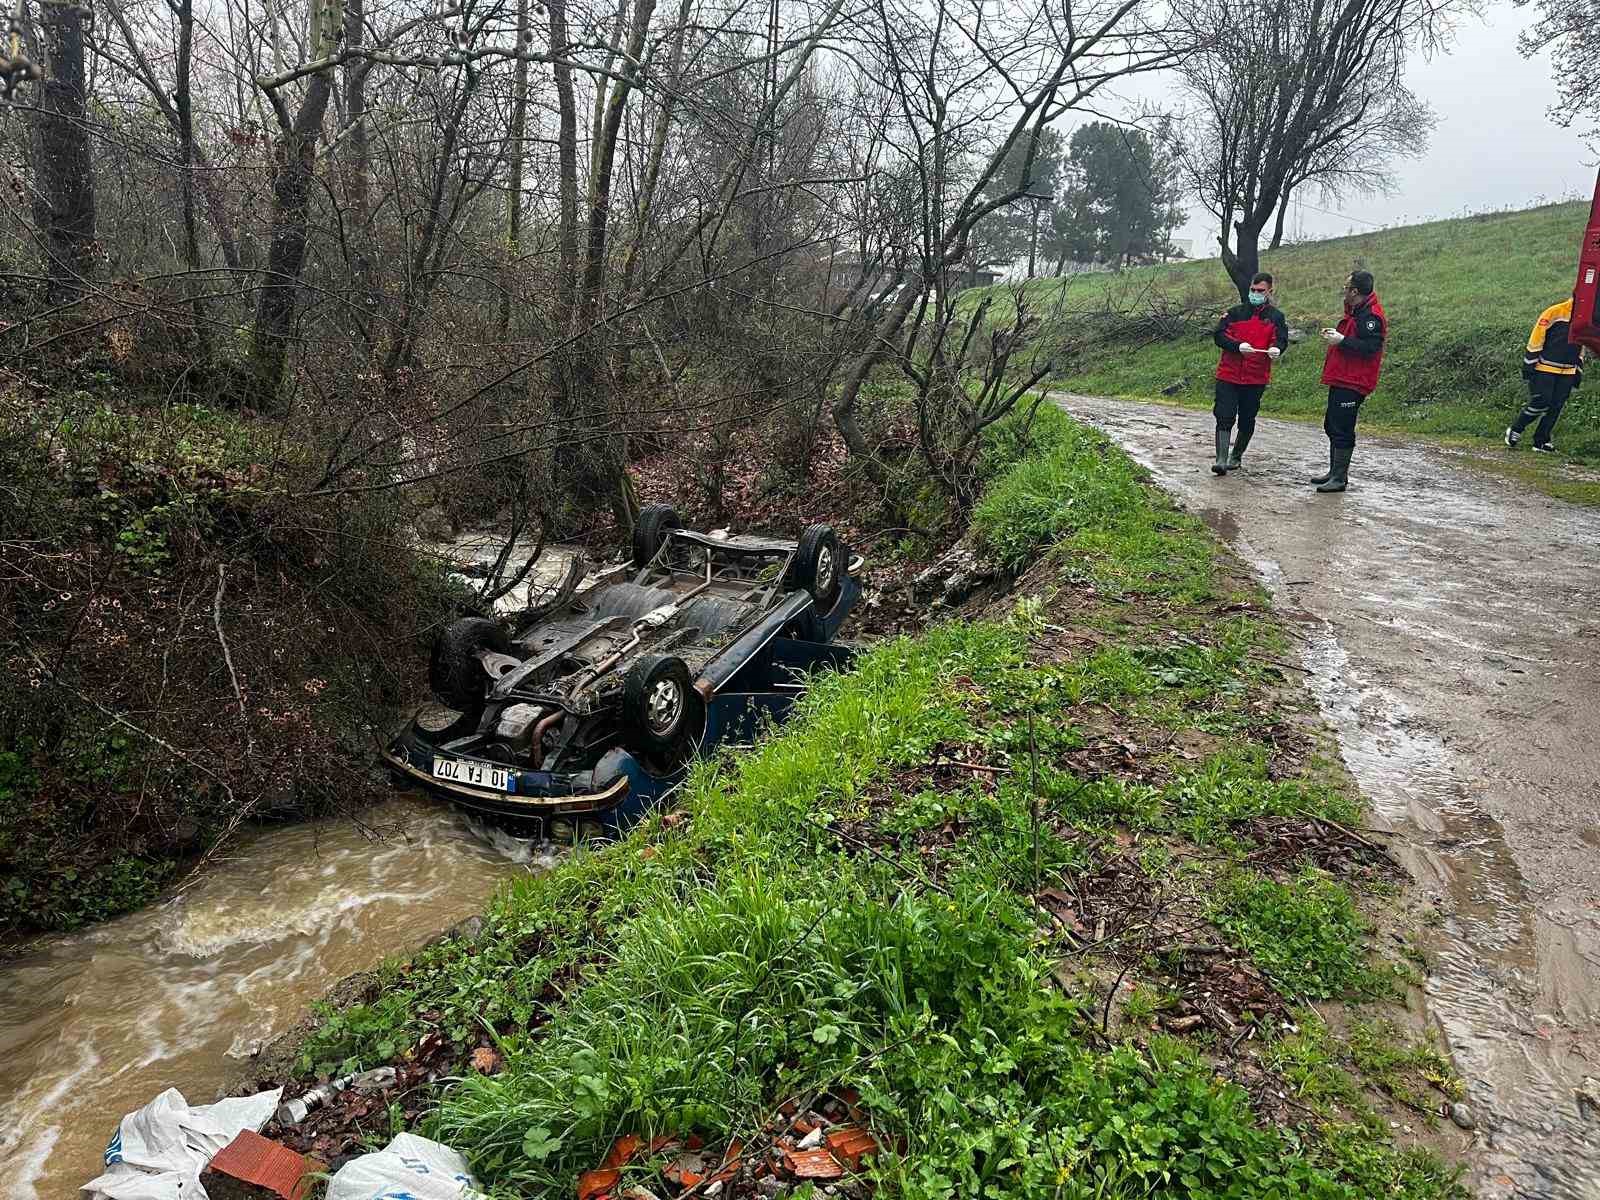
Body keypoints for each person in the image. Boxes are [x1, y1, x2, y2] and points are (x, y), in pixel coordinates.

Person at [1313, 270, 1386, 493]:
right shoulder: (1356, 312)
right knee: (1331, 424)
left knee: (1342, 427)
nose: (1343, 290)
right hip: (1342, 377)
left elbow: (1370, 348)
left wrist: (1342, 340)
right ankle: (1335, 472)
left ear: (1355, 291)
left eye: (1346, 287)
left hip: (1355, 381)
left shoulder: (1371, 317)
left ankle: (1339, 478)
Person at [1209, 272, 1289, 474]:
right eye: (1253, 290)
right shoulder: (1234, 313)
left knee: (1247, 418)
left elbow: (1281, 339)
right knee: (1224, 415)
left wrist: (1277, 349)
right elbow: (1219, 336)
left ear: (1270, 291)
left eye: (1260, 291)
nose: (1255, 293)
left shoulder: (1276, 317)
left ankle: (1236, 456)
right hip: (1229, 374)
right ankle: (1221, 459)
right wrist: (1237, 346)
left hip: (1255, 377)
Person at [1505, 296, 1584, 452]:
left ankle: (1541, 440)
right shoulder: (1555, 312)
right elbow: (1537, 336)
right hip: (1544, 367)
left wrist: (1578, 370)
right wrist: (1529, 363)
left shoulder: (1586, 319)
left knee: (1556, 406)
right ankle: (1516, 429)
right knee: (1542, 401)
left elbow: (1582, 345)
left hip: (1568, 370)